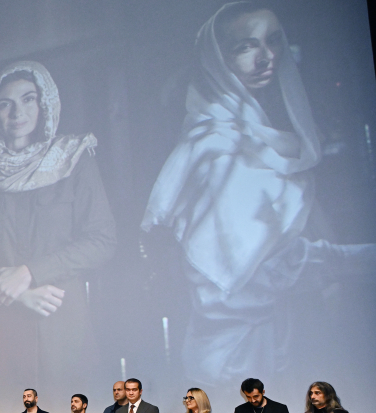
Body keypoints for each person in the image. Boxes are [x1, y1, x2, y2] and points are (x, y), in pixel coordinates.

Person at [141, 2, 375, 385]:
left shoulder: (263, 136)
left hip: (279, 343)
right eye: (245, 46)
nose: (266, 57)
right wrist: (360, 260)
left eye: (273, 41)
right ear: (218, 60)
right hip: (234, 356)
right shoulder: (215, 149)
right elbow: (260, 269)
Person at [0, 60, 116, 399]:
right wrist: (14, 292)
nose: (17, 113)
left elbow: (102, 240)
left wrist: (29, 273)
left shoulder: (73, 162)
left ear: (45, 104)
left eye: (28, 99)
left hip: (60, 325)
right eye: (5, 104)